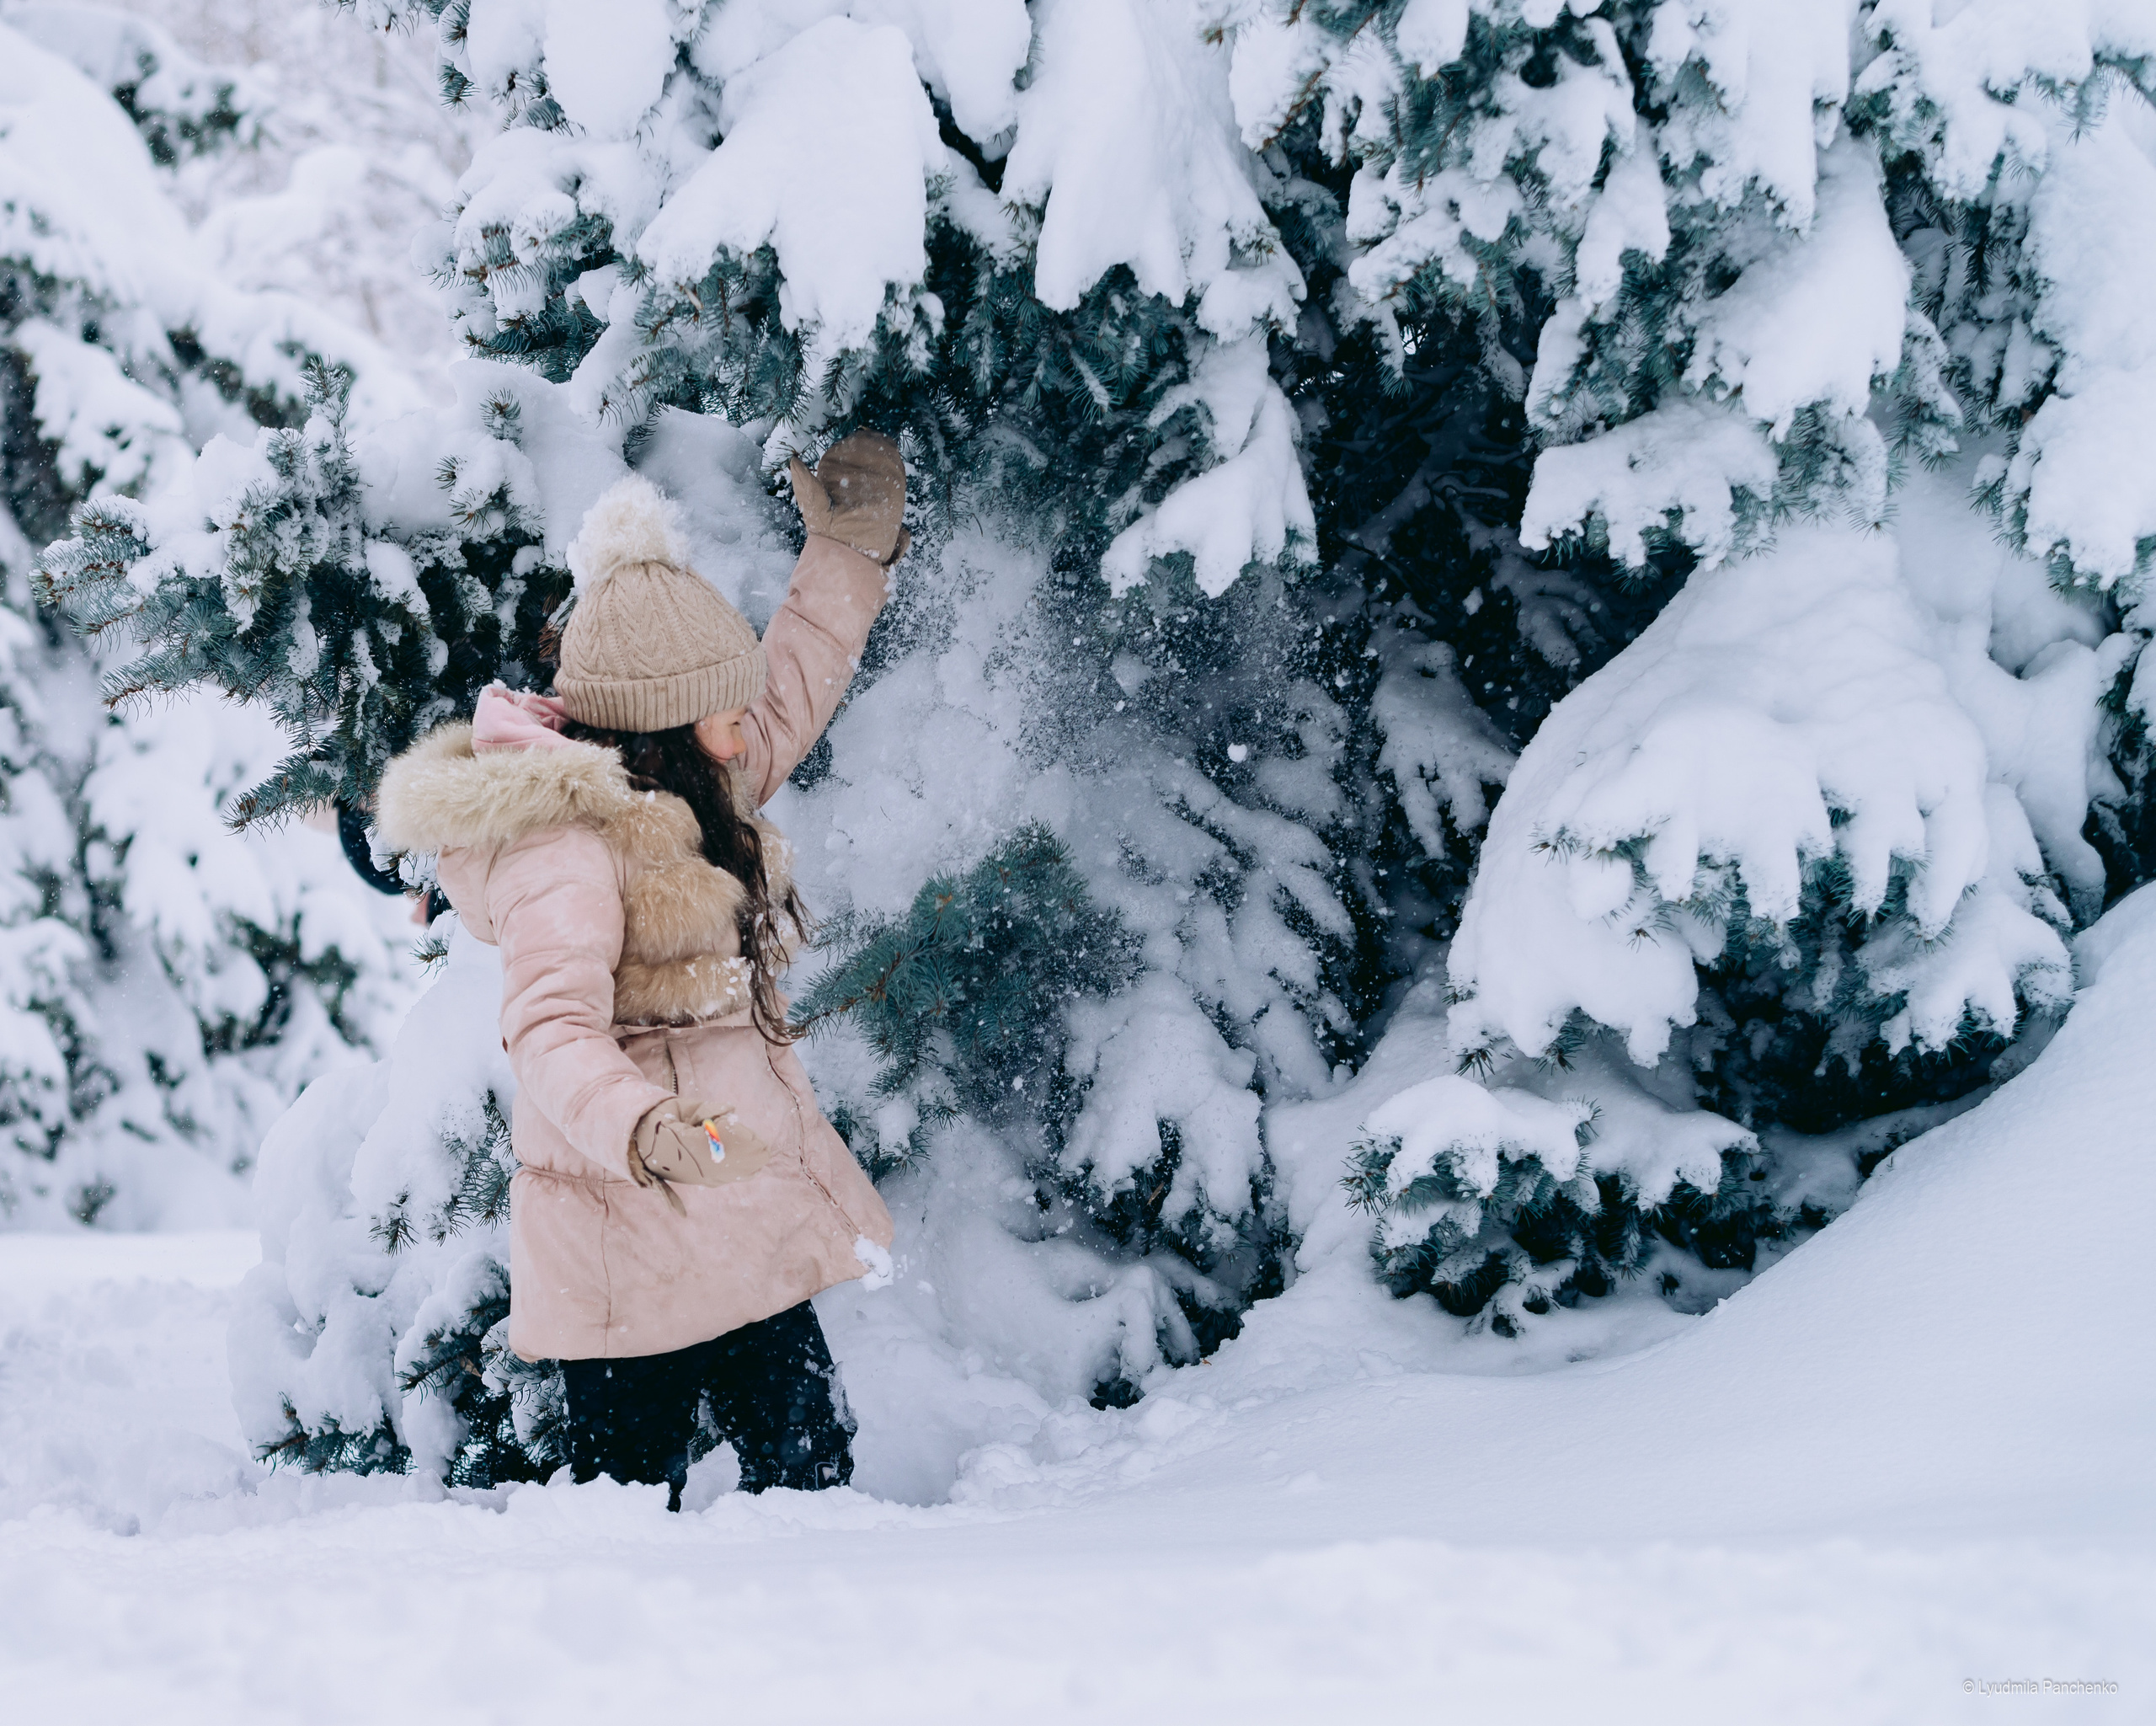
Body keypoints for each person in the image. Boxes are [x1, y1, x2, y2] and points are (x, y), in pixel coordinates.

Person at [376, 433, 908, 1505]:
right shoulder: (566, 849)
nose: (744, 725)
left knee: (816, 1480)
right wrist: (642, 1127)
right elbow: (551, 1032)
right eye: (723, 706)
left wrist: (847, 551)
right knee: (624, 1505)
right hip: (626, 1226)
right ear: (656, 722)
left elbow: (794, 681)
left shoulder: (702, 773)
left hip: (736, 1208)